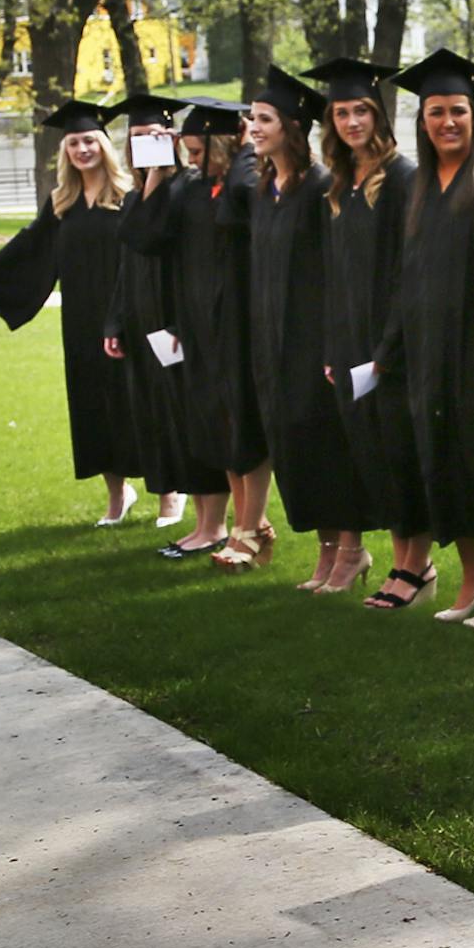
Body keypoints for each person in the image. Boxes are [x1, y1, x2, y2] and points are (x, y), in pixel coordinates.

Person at [378, 48, 474, 627]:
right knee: (442, 461)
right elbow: (407, 274)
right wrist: (392, 347)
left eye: (459, 112)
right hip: (427, 348)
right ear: (422, 121)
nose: (447, 122)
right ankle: (473, 575)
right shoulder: (418, 185)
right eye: (436, 112)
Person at [304, 57, 438, 610]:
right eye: (342, 112)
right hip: (353, 345)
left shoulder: (402, 177)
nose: (352, 121)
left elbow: (410, 270)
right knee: (376, 457)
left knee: (402, 454)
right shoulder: (341, 184)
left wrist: (386, 347)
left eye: (362, 110)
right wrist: (336, 349)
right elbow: (334, 275)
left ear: (379, 116)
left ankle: (416, 566)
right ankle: (398, 560)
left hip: (393, 344)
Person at [0, 98, 144, 524]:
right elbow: (30, 246)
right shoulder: (62, 201)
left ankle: (169, 491)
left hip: (130, 312)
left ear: (103, 145)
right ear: (65, 151)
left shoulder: (129, 197)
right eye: (73, 143)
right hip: (82, 318)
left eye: (89, 140)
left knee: (136, 402)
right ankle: (117, 495)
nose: (82, 149)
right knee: (93, 406)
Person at [237, 66, 371, 586]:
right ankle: (326, 549)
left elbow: (334, 269)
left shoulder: (318, 188)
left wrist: (329, 342)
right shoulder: (265, 187)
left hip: (312, 338)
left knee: (326, 444)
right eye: (252, 117)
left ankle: (352, 549)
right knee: (296, 446)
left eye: (264, 118)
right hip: (274, 340)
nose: (253, 126)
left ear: (291, 126)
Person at [119, 96, 260, 560]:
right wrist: (158, 171)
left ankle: (244, 527)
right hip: (195, 322)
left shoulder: (241, 184)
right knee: (209, 426)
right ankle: (229, 527)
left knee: (236, 427)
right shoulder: (189, 188)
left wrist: (243, 149)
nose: (193, 161)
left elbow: (236, 207)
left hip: (233, 321)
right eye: (190, 152)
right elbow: (141, 234)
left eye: (200, 153)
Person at [105, 93, 221, 546]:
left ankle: (208, 521)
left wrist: (162, 169)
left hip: (178, 319)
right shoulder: (138, 194)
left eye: (153, 137)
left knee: (191, 417)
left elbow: (153, 239)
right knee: (164, 419)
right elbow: (131, 247)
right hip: (142, 322)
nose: (145, 146)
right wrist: (115, 321)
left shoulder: (187, 187)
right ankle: (191, 515)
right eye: (136, 140)